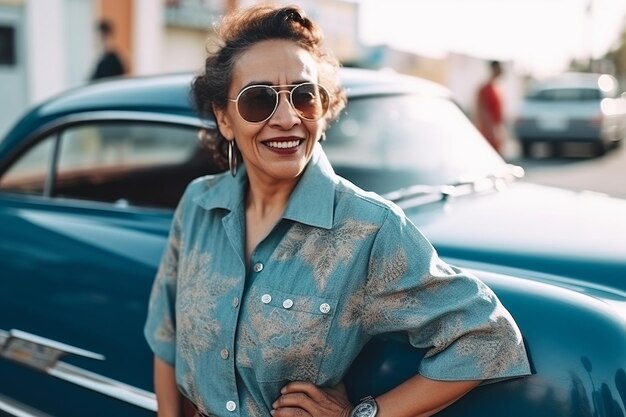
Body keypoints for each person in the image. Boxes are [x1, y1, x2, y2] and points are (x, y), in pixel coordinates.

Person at [144, 5, 531, 417]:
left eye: (304, 96)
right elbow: (166, 337)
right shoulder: (198, 205)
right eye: (259, 100)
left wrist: (363, 416)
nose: (288, 118)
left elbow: (487, 337)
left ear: (322, 111)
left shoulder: (367, 228)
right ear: (224, 119)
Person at [475, 60, 505, 154]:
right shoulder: (485, 89)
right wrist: (491, 131)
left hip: (495, 130)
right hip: (487, 133)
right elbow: (482, 111)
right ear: (494, 69)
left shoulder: (496, 88)